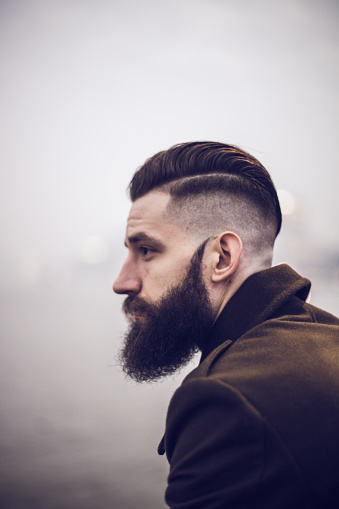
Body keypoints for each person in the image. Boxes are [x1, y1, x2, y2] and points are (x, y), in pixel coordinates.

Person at [113, 141, 339, 508]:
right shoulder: (328, 335)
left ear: (222, 257)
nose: (122, 282)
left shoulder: (227, 402)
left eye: (146, 250)